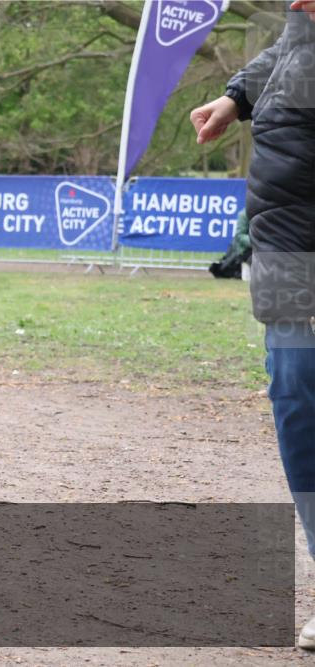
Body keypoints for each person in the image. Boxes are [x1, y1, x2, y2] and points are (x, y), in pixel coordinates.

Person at [190, 0, 315, 650]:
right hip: (288, 247)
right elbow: (292, 55)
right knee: (295, 395)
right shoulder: (296, 34)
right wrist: (236, 96)